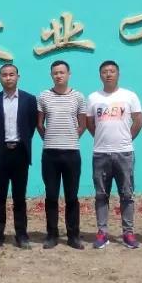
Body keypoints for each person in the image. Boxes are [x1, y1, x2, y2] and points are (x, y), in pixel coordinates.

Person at [86, 60, 142, 249]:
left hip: (124, 153)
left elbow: (138, 120)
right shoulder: (93, 97)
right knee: (101, 195)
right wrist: (101, 139)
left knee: (127, 194)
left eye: (112, 71)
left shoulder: (129, 96)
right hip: (100, 154)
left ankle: (128, 233)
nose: (108, 74)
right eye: (105, 71)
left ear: (118, 74)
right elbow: (89, 123)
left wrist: (127, 138)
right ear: (100, 75)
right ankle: (102, 233)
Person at [0, 63, 38, 248]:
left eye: (11, 74)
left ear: (18, 77)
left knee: (19, 197)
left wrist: (21, 142)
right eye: (4, 75)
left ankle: (21, 235)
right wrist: (0, 143)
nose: (8, 78)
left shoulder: (29, 100)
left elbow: (31, 125)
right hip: (1, 152)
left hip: (21, 152)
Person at [37, 60, 88, 250]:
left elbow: (82, 124)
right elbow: (40, 124)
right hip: (50, 154)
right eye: (55, 73)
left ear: (69, 74)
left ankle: (73, 235)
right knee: (51, 195)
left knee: (71, 196)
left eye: (62, 72)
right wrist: (51, 139)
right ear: (51, 75)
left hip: (72, 154)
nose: (58, 75)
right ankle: (52, 235)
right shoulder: (44, 96)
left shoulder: (78, 97)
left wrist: (70, 138)